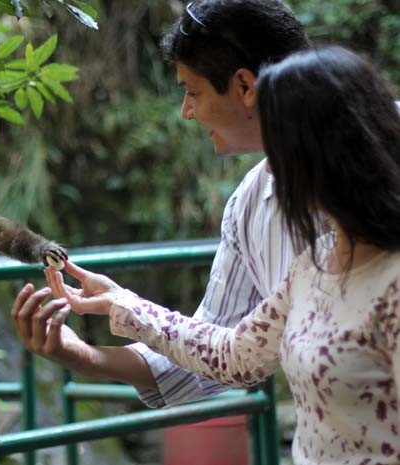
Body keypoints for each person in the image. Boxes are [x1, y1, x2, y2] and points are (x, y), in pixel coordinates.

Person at [39, 46, 400, 464]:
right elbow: (234, 355)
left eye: (281, 149)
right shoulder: (315, 263)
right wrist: (123, 306)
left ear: (325, 155)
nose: (271, 169)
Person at [12, 0, 311, 406]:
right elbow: (216, 349)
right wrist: (79, 353)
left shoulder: (377, 157)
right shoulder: (248, 205)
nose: (187, 112)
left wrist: (130, 309)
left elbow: (238, 356)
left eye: (193, 91)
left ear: (244, 87)